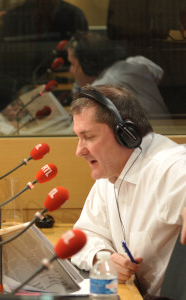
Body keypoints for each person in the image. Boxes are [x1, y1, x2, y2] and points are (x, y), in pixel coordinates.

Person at [69, 84, 186, 297]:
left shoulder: (167, 166)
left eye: (89, 137)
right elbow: (85, 234)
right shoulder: (109, 175)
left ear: (126, 134)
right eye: (79, 137)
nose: (79, 150)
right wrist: (102, 257)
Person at [67, 33, 170, 116]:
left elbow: (74, 134)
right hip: (166, 133)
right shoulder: (138, 63)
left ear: (88, 64)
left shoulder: (101, 90)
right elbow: (159, 73)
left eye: (72, 64)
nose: (71, 71)